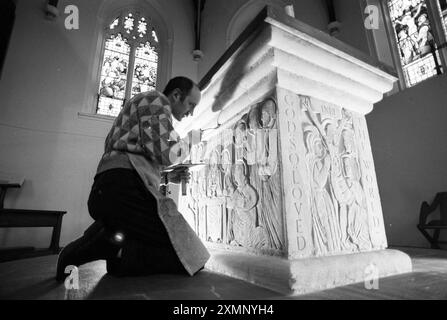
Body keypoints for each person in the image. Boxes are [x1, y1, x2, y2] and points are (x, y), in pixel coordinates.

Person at [56, 76, 210, 281]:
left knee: (184, 249)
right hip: (122, 191)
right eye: (191, 104)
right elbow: (165, 153)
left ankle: (115, 248)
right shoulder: (156, 100)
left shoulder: (147, 107)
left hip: (113, 189)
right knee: (190, 255)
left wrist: (167, 176)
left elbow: (138, 158)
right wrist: (191, 140)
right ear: (176, 95)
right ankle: (97, 246)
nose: (191, 112)